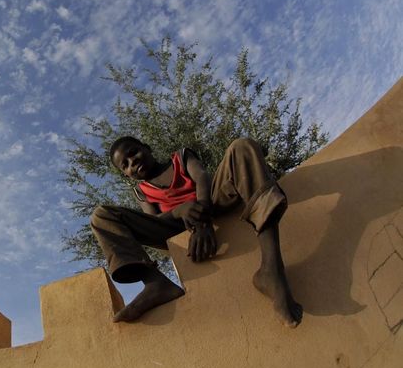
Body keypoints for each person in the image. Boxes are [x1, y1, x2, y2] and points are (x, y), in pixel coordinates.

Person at [90, 136, 303, 327]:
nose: (132, 162)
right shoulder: (141, 191)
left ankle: (272, 268)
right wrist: (179, 211)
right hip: (174, 226)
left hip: (211, 202)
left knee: (242, 146)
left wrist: (203, 218)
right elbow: (155, 220)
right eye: (125, 165)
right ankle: (155, 282)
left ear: (147, 147)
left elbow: (202, 178)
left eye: (133, 153)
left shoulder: (181, 157)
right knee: (101, 215)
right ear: (126, 175)